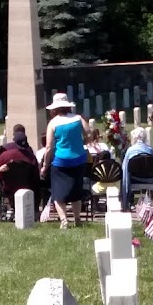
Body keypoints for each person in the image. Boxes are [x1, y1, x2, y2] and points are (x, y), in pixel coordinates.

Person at [41, 91, 89, 229]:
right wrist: (82, 142)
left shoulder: (53, 123)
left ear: (54, 109)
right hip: (79, 159)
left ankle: (64, 220)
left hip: (61, 161)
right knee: (76, 190)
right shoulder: (78, 118)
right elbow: (89, 133)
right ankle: (78, 219)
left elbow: (49, 147)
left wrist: (45, 165)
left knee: (58, 192)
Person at [0, 129, 41, 211]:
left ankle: (11, 207)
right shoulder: (31, 157)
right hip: (27, 186)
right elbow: (36, 174)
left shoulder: (5, 155)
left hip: (8, 187)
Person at [121, 126, 153, 208]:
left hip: (135, 179)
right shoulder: (150, 150)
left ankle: (128, 201)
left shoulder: (130, 150)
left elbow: (125, 168)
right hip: (149, 178)